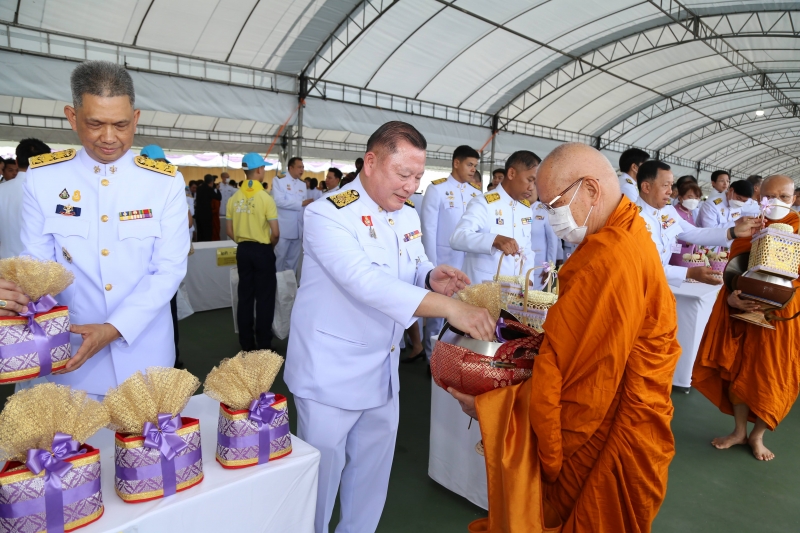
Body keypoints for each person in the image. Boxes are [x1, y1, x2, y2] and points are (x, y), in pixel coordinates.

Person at [449, 142, 681, 532]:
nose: (549, 215)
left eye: (553, 203)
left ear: (591, 189)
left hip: (604, 435)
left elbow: (582, 393)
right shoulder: (626, 229)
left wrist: (494, 409)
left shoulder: (609, 260)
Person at [284, 121, 494, 533]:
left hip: (383, 372)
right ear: (371, 162)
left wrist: (431, 277)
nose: (411, 186)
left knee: (370, 481)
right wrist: (449, 307)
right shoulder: (329, 213)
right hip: (331, 374)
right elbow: (365, 281)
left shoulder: (406, 214)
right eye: (404, 175)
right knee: (320, 487)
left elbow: (411, 267)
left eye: (418, 177)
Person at [2, 60, 189, 399]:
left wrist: (113, 329)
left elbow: (169, 268)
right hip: (71, 357)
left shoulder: (165, 182)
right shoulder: (44, 179)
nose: (108, 138)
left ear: (135, 118)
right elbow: (37, 262)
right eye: (95, 124)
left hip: (145, 357)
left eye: (120, 124)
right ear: (73, 117)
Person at [693, 175, 800, 462]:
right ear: (758, 196)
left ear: (794, 198)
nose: (777, 203)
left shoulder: (799, 229)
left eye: (785, 197)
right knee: (740, 369)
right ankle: (740, 431)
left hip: (782, 317)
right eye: (770, 196)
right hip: (744, 309)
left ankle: (758, 435)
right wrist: (731, 297)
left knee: (773, 373)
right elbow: (733, 269)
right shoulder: (749, 228)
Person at [635, 160, 757, 287]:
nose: (670, 192)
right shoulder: (632, 217)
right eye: (665, 185)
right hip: (638, 286)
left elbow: (694, 232)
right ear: (646, 187)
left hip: (658, 285)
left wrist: (733, 231)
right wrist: (688, 272)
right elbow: (643, 267)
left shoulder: (668, 211)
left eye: (671, 185)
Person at [415, 145, 481, 362]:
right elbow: (429, 230)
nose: (473, 170)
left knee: (463, 310)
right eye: (469, 164)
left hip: (468, 265)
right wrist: (432, 265)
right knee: (437, 314)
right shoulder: (437, 189)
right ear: (456, 163)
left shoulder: (476, 194)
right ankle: (431, 357)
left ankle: (455, 355)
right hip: (443, 262)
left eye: (475, 166)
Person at [451, 151, 539, 285]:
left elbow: (526, 248)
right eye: (530, 180)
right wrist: (494, 240)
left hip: (513, 294)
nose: (531, 188)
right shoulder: (484, 203)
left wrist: (528, 279)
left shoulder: (525, 209)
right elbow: (457, 238)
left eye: (535, 183)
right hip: (481, 290)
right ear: (511, 174)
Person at [226, 153, 280, 352]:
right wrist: (268, 247)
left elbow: (229, 231)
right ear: (259, 170)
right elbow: (275, 233)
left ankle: (246, 344)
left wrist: (244, 242)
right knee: (265, 298)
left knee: (245, 297)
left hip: (243, 250)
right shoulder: (265, 198)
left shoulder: (234, 199)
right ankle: (264, 343)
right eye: (263, 168)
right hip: (263, 250)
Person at [0, 139, 51, 259]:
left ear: (16, 162)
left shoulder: (1, 189)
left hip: (5, 265)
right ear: (48, 162)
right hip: (41, 266)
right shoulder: (51, 192)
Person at [273, 156, 312, 272]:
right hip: (284, 230)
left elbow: (304, 208)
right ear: (291, 167)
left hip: (297, 230)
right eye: (299, 167)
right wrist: (301, 203)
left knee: (293, 262)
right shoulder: (279, 181)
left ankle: (290, 288)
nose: (302, 170)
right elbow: (279, 201)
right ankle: (277, 288)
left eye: (303, 167)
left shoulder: (302, 184)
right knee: (279, 259)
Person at [529, 185, 559, 288]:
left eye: (532, 189)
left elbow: (552, 242)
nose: (529, 191)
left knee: (533, 300)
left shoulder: (545, 211)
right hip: (518, 264)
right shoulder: (516, 209)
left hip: (539, 266)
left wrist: (549, 268)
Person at [669, 180, 703, 265]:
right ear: (680, 197)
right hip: (676, 255)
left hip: (689, 256)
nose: (694, 200)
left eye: (696, 198)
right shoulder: (673, 212)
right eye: (690, 197)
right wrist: (686, 241)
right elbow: (670, 235)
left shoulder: (690, 212)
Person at [194, 174, 218, 241]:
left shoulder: (199, 188)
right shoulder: (209, 189)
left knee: (200, 232)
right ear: (211, 182)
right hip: (206, 214)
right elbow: (218, 197)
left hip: (198, 213)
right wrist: (216, 189)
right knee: (207, 233)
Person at [218, 171, 237, 239]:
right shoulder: (218, 186)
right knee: (221, 228)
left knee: (228, 227)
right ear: (222, 177)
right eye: (227, 177)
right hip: (220, 210)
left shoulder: (230, 188)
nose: (229, 178)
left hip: (228, 211)